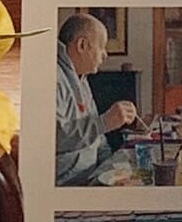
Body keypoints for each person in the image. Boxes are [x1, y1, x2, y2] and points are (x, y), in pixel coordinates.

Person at [55, 11, 131, 187]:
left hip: (90, 176)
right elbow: (54, 138)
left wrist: (109, 167)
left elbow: (99, 139)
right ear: (82, 45)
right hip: (67, 185)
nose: (105, 55)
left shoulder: (81, 76)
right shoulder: (53, 76)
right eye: (102, 47)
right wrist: (105, 122)